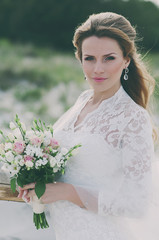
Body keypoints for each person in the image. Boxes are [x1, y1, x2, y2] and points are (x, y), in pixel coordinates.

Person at [18, 12, 159, 240]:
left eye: (109, 58)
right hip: (62, 231)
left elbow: (137, 204)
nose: (98, 69)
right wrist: (35, 182)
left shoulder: (133, 118)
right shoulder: (82, 100)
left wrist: (68, 192)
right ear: (80, 58)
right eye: (90, 58)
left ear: (126, 60)